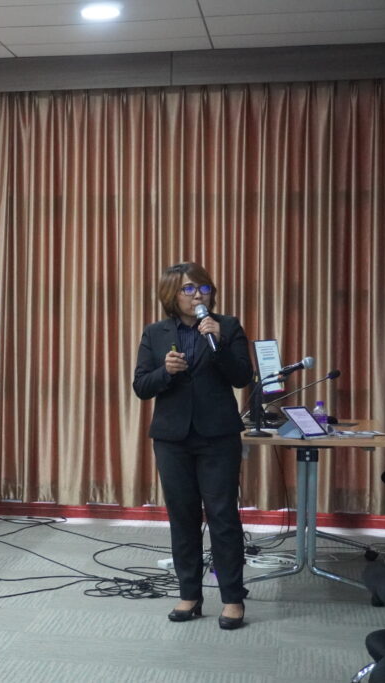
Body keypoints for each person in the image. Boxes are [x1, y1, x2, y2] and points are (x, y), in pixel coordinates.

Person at [132, 262, 253, 630]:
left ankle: (232, 598)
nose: (198, 295)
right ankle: (189, 594)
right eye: (188, 289)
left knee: (223, 517)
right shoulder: (155, 333)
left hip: (218, 437)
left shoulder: (227, 326)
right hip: (172, 439)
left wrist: (219, 344)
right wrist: (165, 372)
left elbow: (242, 377)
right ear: (172, 294)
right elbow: (141, 387)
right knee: (182, 517)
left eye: (203, 288)